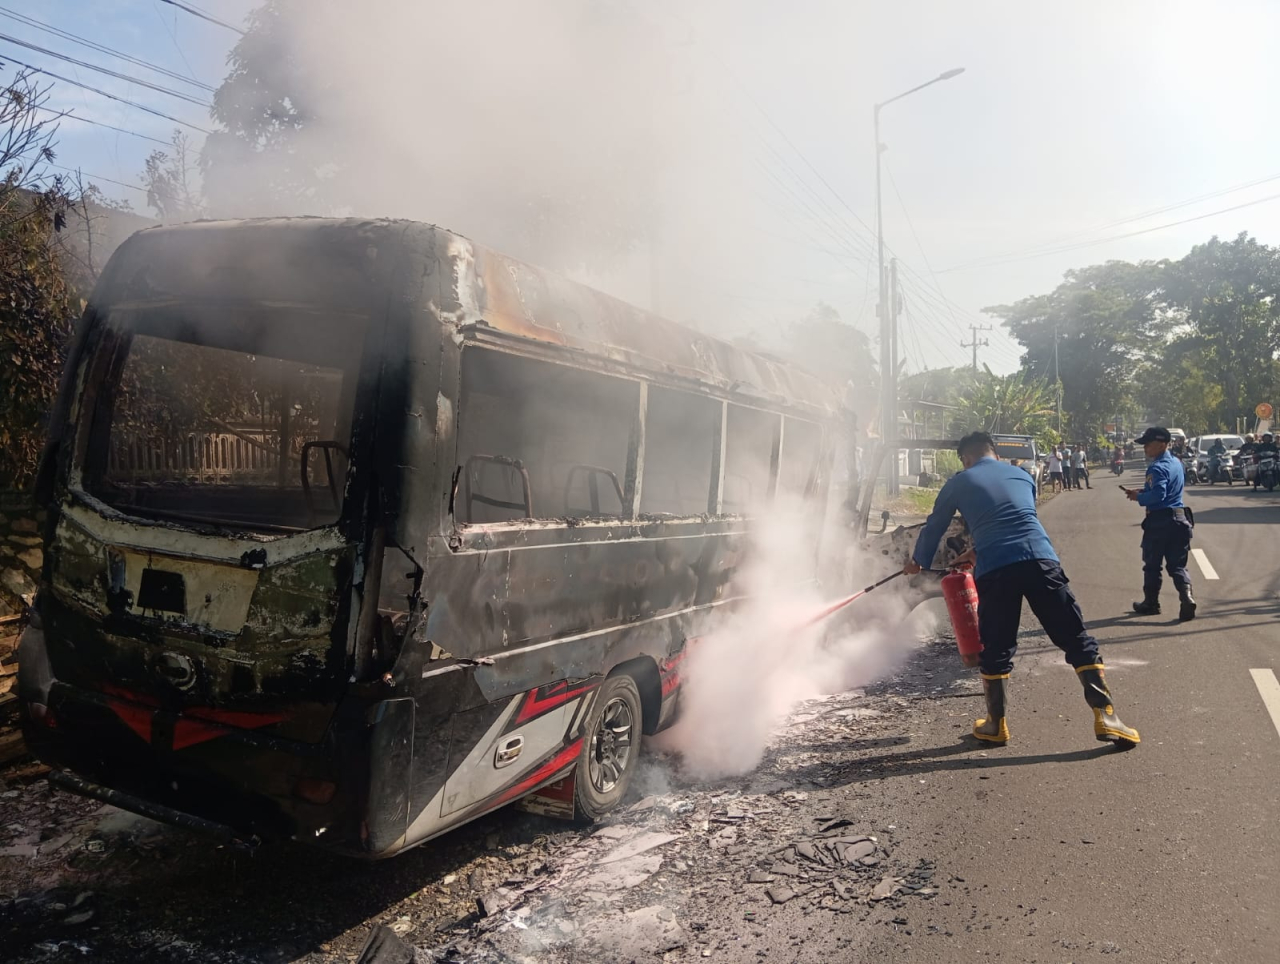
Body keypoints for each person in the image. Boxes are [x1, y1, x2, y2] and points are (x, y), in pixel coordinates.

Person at [903, 432, 1140, 746]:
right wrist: (975, 551)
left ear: (966, 459)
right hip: (1041, 560)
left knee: (997, 646)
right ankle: (1107, 716)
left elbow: (935, 525)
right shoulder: (1023, 476)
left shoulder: (958, 482)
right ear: (996, 454)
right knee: (1074, 636)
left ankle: (995, 725)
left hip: (997, 570)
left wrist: (917, 562)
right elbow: (1015, 519)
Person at [1123, 426, 1196, 621]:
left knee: (1152, 564)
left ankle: (1151, 603)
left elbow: (1158, 495)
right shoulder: (1176, 463)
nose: (1145, 447)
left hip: (1160, 522)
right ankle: (1187, 597)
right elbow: (1167, 489)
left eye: (1148, 444)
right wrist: (1142, 491)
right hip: (1180, 520)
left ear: (1162, 444)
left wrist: (1140, 497)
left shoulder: (1156, 467)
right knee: (1178, 566)